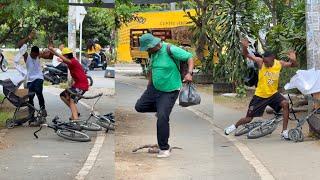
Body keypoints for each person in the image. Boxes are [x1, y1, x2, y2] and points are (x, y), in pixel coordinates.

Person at [224, 38, 298, 139]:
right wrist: (244, 47)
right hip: (260, 96)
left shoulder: (279, 64)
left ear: (273, 59)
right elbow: (247, 55)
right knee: (248, 118)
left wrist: (293, 59)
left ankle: (284, 131)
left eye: (267, 62)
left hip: (273, 94)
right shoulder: (260, 62)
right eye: (264, 61)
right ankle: (233, 126)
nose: (265, 63)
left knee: (285, 104)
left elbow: (294, 65)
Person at [135, 33, 194, 158]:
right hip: (154, 88)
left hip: (170, 89)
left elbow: (189, 57)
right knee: (139, 106)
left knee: (162, 117)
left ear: (154, 44)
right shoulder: (153, 53)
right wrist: (148, 86)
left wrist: (190, 73)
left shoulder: (170, 49)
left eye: (148, 48)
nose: (147, 50)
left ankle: (164, 148)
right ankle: (162, 108)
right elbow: (151, 70)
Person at [16, 31, 51, 125]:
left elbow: (49, 55)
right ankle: (31, 116)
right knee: (30, 98)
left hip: (39, 78)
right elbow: (19, 45)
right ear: (31, 52)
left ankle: (42, 109)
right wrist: (29, 37)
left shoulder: (38, 56)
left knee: (39, 92)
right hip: (30, 80)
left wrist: (50, 43)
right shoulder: (27, 56)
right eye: (34, 55)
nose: (36, 57)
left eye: (37, 55)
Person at [48, 46, 89, 121]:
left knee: (72, 100)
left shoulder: (73, 61)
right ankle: (75, 112)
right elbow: (59, 56)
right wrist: (51, 50)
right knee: (63, 95)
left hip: (82, 85)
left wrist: (54, 51)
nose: (63, 57)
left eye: (64, 56)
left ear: (66, 56)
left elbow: (61, 57)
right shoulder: (69, 61)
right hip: (76, 85)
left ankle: (76, 120)